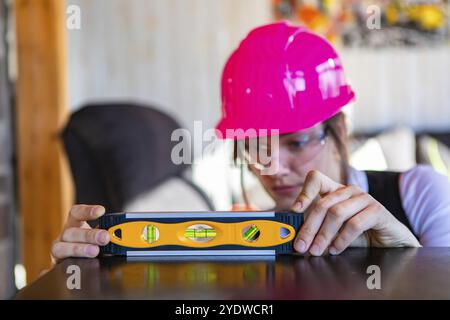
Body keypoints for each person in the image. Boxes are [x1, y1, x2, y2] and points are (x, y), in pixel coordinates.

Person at [51, 22, 450, 262]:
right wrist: (83, 274)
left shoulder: (420, 195)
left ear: (340, 131)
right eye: (254, 144)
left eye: (295, 143)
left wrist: (410, 260)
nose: (270, 167)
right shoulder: (244, 236)